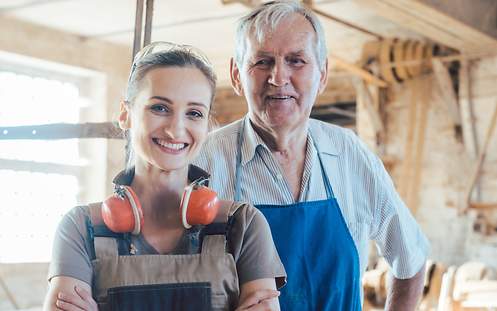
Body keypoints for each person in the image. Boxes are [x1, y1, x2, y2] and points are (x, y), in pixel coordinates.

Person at [193, 1, 430, 310]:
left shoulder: (350, 154)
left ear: (323, 74)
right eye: (262, 61)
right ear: (236, 74)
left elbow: (410, 259)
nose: (278, 77)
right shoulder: (204, 163)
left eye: (296, 60)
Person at [42, 42, 286, 311]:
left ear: (206, 125)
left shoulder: (242, 225)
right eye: (159, 108)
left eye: (194, 113)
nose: (175, 129)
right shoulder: (82, 228)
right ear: (126, 114)